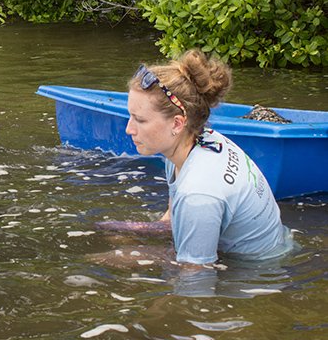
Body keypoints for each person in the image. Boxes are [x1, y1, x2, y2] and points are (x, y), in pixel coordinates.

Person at [117, 49, 295, 268]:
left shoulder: (198, 194)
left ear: (177, 123)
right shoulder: (196, 141)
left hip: (257, 272)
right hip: (277, 243)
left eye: (140, 120)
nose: (128, 129)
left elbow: (195, 280)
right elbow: (173, 218)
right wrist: (135, 232)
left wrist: (130, 256)